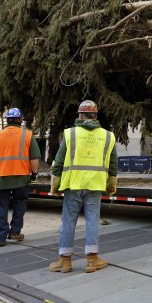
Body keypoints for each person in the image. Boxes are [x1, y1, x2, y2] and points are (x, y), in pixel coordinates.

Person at [49, 99, 118, 274]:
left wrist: (55, 184)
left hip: (73, 184)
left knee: (68, 221)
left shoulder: (71, 134)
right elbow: (113, 163)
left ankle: (65, 261)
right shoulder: (108, 135)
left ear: (80, 115)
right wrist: (111, 184)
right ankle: (92, 260)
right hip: (95, 184)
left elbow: (59, 160)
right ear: (96, 116)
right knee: (92, 220)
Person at [0, 108, 40, 247]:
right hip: (21, 177)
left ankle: (1, 237)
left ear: (7, 120)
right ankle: (15, 232)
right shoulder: (27, 135)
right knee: (19, 204)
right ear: (21, 119)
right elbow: (34, 158)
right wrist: (34, 174)